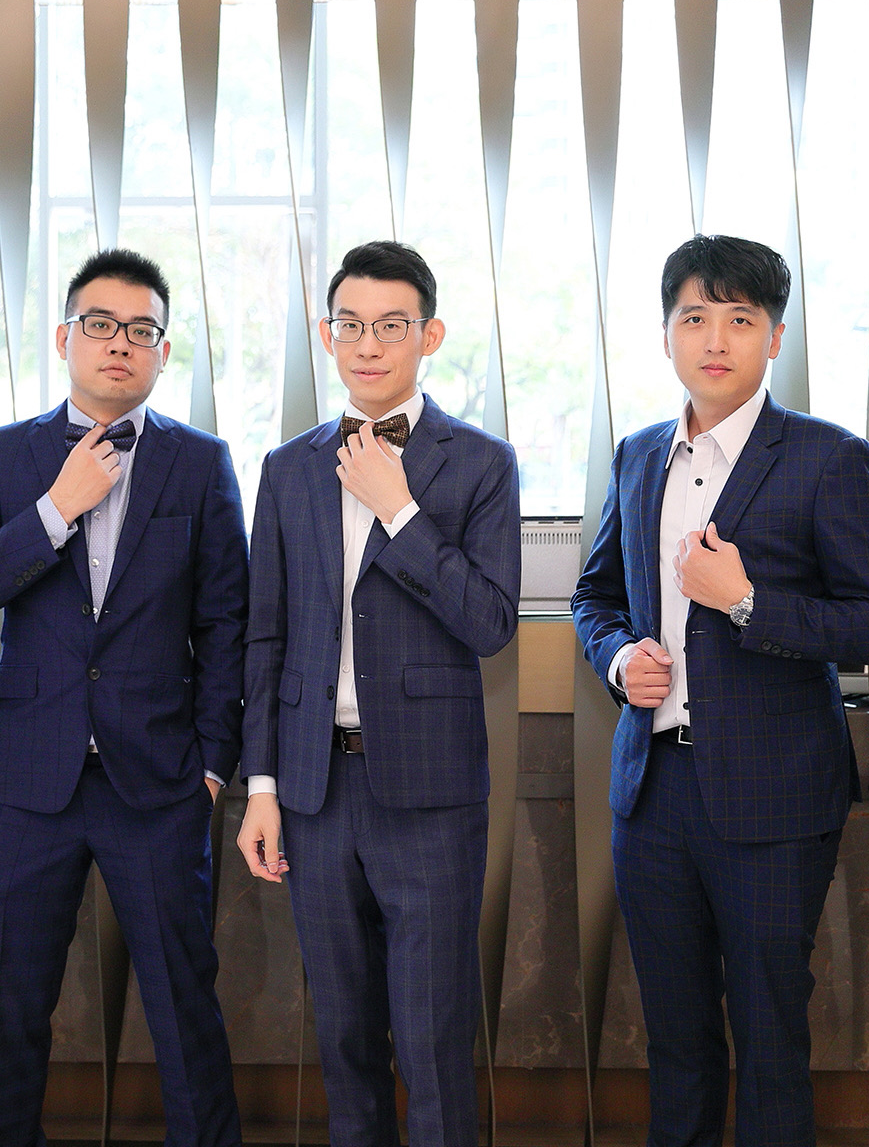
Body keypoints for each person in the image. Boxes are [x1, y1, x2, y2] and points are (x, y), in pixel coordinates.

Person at [572, 234, 869, 1145]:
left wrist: (747, 602)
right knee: (675, 1039)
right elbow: (596, 596)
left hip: (776, 796)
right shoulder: (639, 454)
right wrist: (618, 659)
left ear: (775, 336)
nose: (715, 339)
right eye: (694, 318)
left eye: (740, 319)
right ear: (667, 335)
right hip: (652, 792)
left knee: (769, 1038)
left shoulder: (830, 457)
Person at [0, 249, 248, 1147]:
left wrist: (213, 767)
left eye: (141, 330)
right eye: (100, 325)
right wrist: (54, 509)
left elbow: (227, 623)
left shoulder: (201, 463)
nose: (120, 343)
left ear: (163, 352)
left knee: (185, 1011)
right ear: (66, 337)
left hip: (161, 784)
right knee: (9, 1011)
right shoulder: (3, 456)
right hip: (29, 783)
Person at [236, 240, 520, 1147]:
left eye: (391, 326)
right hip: (314, 792)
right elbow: (265, 637)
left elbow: (489, 622)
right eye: (350, 325)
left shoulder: (482, 463)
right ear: (327, 336)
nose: (368, 345)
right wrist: (262, 787)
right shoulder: (287, 467)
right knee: (344, 1039)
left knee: (433, 1043)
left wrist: (399, 509)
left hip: (430, 797)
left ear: (428, 335)